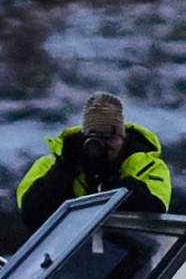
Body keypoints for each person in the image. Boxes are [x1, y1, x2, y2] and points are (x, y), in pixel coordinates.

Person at [15, 92, 172, 229]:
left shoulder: (148, 166)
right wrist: (64, 169)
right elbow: (31, 215)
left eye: (110, 137)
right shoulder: (50, 164)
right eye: (94, 138)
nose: (104, 145)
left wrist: (113, 181)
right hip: (63, 256)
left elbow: (155, 213)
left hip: (128, 256)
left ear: (123, 138)